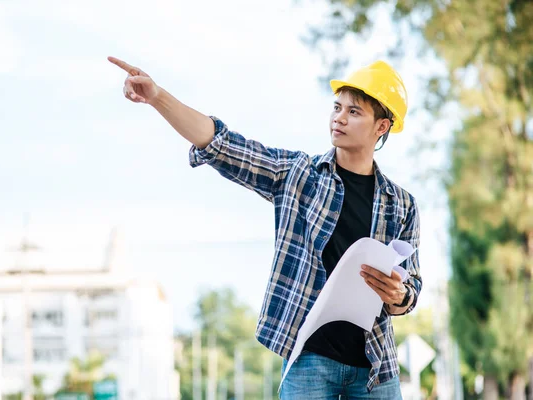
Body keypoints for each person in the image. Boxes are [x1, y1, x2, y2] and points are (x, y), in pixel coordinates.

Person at [108, 56, 421, 399]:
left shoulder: (401, 204)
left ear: (382, 127)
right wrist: (157, 97)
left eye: (354, 112)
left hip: (375, 369)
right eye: (337, 107)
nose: (339, 118)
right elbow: (222, 144)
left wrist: (399, 296)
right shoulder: (298, 175)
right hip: (310, 365)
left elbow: (411, 289)